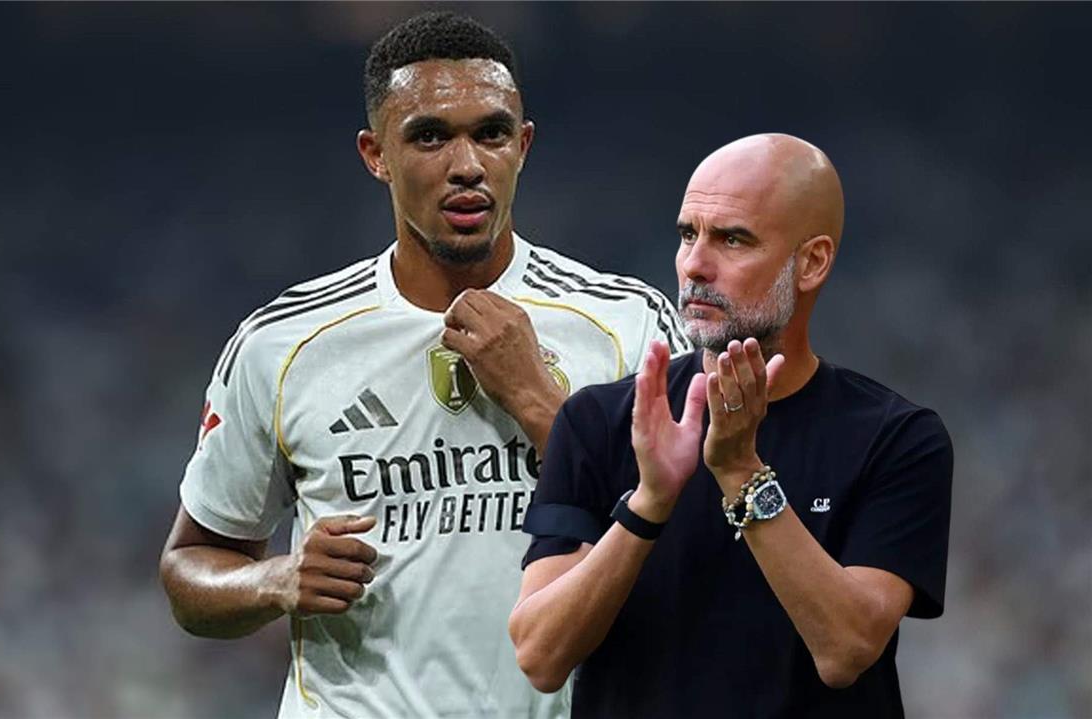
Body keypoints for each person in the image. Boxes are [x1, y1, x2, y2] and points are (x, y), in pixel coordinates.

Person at [158, 12, 689, 719]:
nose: (466, 165)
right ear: (376, 154)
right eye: (430, 136)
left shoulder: (627, 324)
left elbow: (697, 548)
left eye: (491, 133)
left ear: (523, 146)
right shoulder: (282, 344)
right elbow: (189, 569)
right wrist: (275, 580)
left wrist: (539, 402)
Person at [509, 134, 953, 718]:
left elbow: (846, 651)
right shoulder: (600, 422)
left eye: (732, 239)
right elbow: (540, 657)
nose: (695, 264)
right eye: (687, 234)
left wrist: (741, 472)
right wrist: (648, 503)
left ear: (812, 262)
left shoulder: (896, 438)